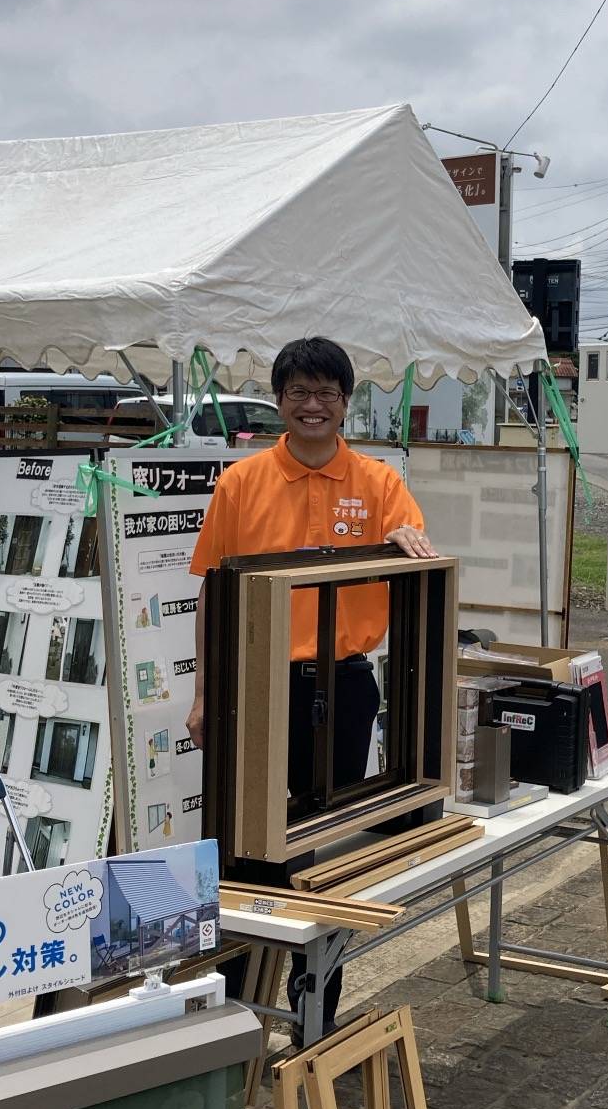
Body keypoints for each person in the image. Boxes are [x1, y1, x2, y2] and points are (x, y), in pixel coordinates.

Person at [187, 336, 437, 1037]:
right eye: (299, 392)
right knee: (245, 853)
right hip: (255, 687)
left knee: (326, 856)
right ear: (279, 402)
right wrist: (206, 693)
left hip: (347, 690)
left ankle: (313, 1015)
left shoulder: (379, 483)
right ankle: (232, 1015)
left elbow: (416, 547)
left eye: (326, 393)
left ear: (346, 403)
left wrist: (409, 540)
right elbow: (213, 594)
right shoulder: (242, 482)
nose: (313, 405)